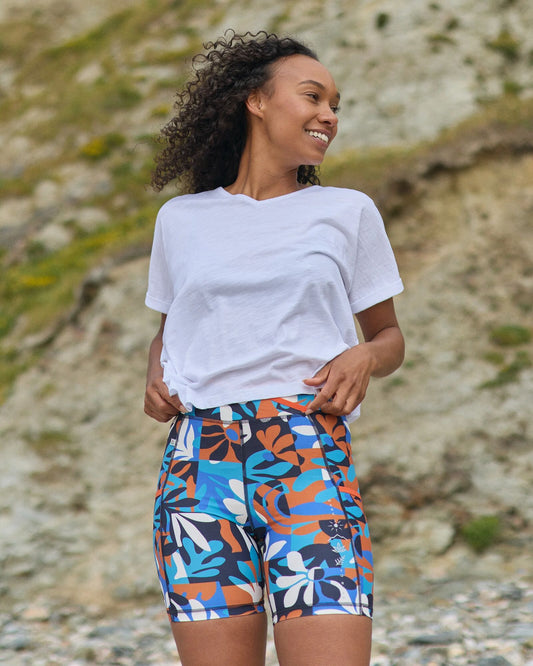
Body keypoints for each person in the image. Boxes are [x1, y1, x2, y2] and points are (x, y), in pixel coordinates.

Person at [144, 30, 404, 666]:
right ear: (255, 101)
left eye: (335, 105)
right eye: (313, 97)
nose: (329, 115)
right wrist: (155, 373)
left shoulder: (347, 211)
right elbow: (171, 328)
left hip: (306, 449)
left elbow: (389, 338)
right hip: (199, 462)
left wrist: (363, 357)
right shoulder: (181, 219)